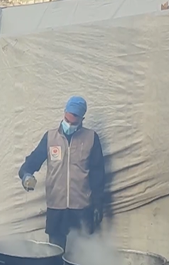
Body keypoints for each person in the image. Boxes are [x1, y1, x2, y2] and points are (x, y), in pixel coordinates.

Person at [18, 95, 108, 248]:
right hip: (56, 208)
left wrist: (98, 204)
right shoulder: (50, 137)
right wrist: (26, 174)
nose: (69, 124)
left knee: (81, 255)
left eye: (74, 122)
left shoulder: (91, 138)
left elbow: (98, 174)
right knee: (55, 253)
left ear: (82, 119)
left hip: (81, 207)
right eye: (67, 120)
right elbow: (32, 161)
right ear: (64, 113)